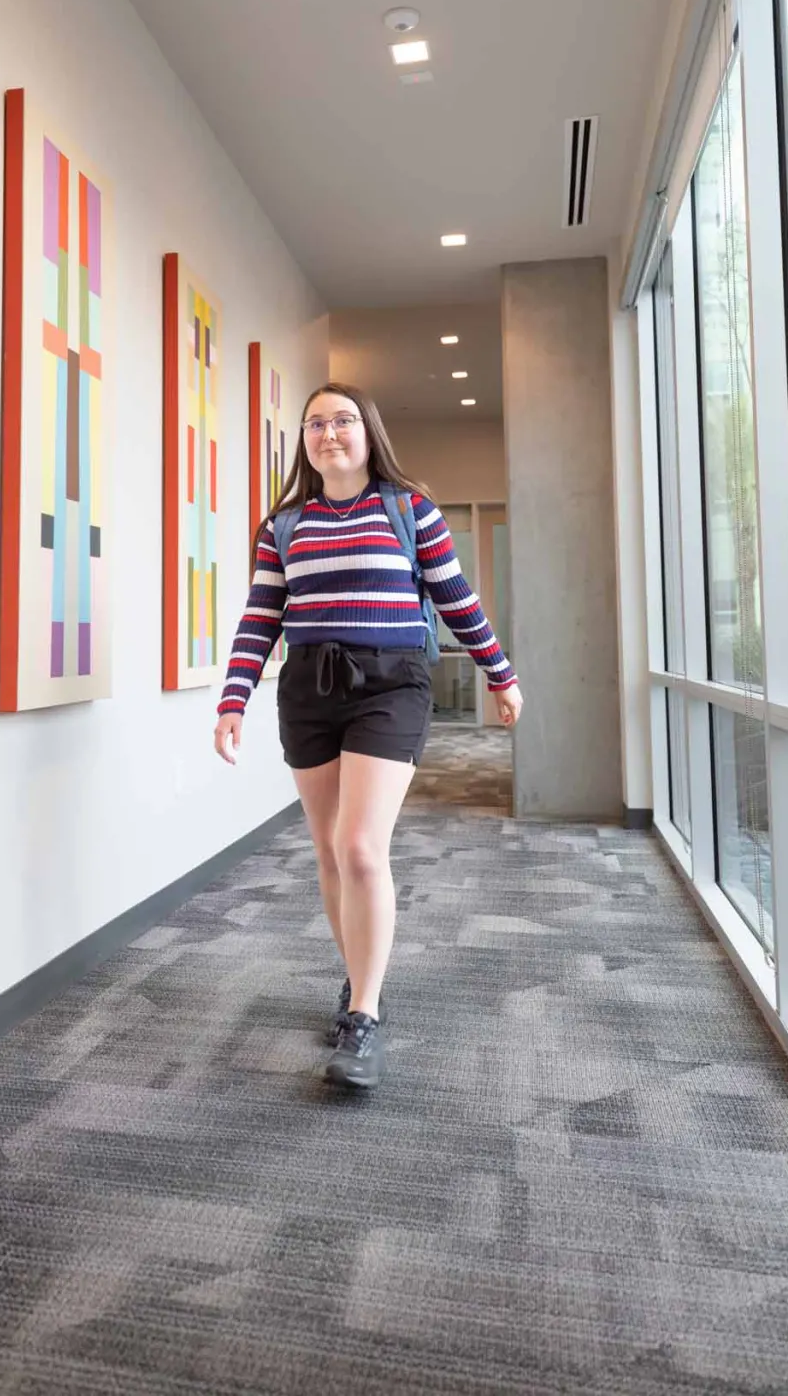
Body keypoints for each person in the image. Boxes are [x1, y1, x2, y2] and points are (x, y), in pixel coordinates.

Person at [213, 382, 523, 1090]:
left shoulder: (408, 509)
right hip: (309, 690)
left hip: (391, 684)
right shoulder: (283, 526)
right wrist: (234, 698)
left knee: (359, 846)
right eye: (315, 423)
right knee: (328, 850)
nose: (329, 433)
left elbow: (456, 597)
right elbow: (261, 618)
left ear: (368, 431)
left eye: (343, 420)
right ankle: (357, 978)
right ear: (304, 440)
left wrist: (499, 676)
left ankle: (364, 1014)